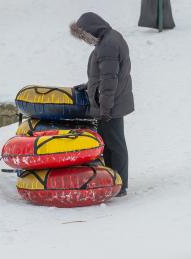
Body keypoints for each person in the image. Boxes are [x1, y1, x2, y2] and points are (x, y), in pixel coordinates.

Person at [71, 12, 134, 197]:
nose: (85, 40)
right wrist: (89, 86)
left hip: (110, 103)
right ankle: (113, 181)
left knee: (115, 144)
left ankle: (120, 184)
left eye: (84, 36)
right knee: (109, 143)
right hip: (110, 101)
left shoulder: (108, 44)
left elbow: (109, 80)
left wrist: (105, 108)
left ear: (91, 29)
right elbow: (103, 74)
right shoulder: (109, 39)